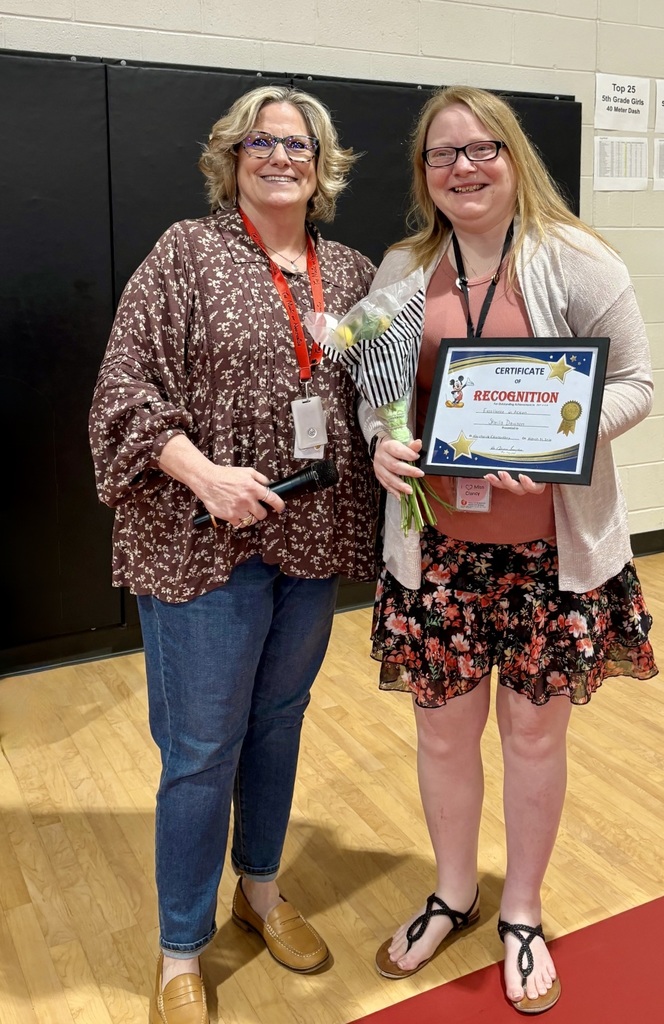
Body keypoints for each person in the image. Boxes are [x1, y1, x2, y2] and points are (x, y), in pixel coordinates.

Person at [359, 85, 657, 1015]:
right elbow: (378, 390)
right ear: (425, 175)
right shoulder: (404, 269)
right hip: (438, 555)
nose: (464, 168)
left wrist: (562, 443)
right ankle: (454, 892)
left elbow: (638, 383)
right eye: (443, 155)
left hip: (549, 559)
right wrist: (381, 438)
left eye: (481, 148)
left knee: (534, 735)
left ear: (512, 155)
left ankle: (520, 911)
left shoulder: (577, 259)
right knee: (442, 733)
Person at [89, 85, 379, 1024]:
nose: (280, 156)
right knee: (201, 747)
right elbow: (124, 392)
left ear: (323, 164)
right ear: (232, 156)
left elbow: (383, 393)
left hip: (310, 538)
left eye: (299, 144)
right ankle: (182, 943)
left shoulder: (355, 272)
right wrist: (204, 474)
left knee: (279, 722)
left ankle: (258, 889)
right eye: (262, 141)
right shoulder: (187, 252)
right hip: (204, 540)